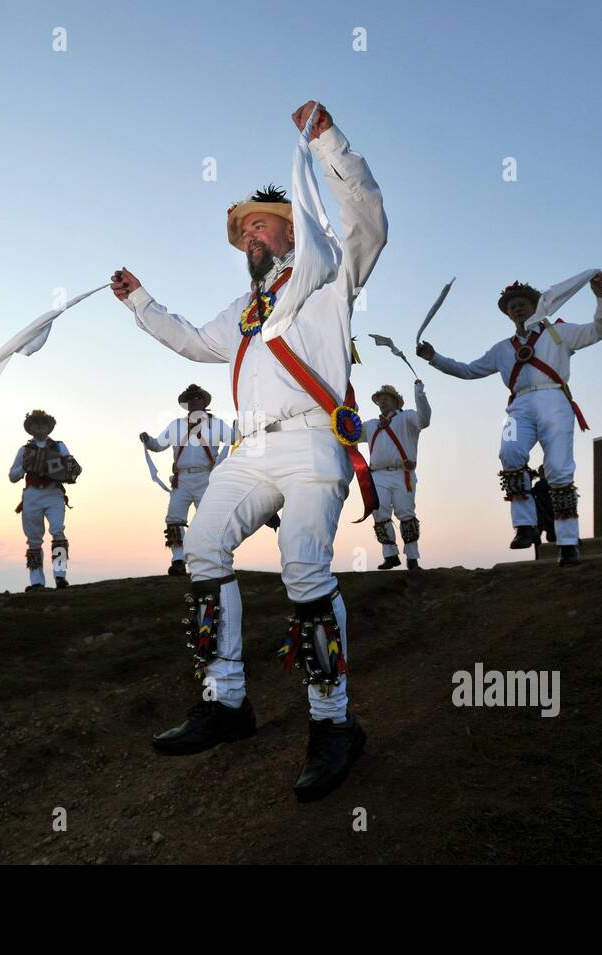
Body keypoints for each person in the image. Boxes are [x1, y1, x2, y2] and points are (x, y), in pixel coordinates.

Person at [110, 99, 387, 803]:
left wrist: (328, 142)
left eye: (259, 224)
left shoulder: (328, 279)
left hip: (315, 442)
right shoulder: (242, 312)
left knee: (302, 569)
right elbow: (190, 341)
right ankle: (227, 700)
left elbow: (369, 220)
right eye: (241, 232)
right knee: (203, 543)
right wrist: (140, 300)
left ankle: (333, 722)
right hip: (250, 447)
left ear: (292, 230)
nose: (247, 237)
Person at [416, 273, 602, 565]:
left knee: (559, 468)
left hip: (554, 399)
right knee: (509, 452)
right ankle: (525, 526)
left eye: (522, 303)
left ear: (537, 305)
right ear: (508, 314)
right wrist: (435, 357)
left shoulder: (558, 332)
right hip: (518, 405)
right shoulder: (502, 349)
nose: (517, 309)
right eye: (511, 306)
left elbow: (599, 329)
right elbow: (469, 370)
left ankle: (568, 542)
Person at [141, 384, 236, 576]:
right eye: (191, 398)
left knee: (209, 520)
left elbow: (232, 439)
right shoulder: (176, 425)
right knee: (174, 519)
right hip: (181, 479)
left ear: (204, 401)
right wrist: (147, 440)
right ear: (187, 403)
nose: (194, 401)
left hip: (206, 478)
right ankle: (178, 560)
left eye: (197, 397)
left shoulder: (216, 424)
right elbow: (158, 445)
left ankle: (212, 559)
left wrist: (238, 427)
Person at [361, 380, 431, 569]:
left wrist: (419, 393)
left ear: (396, 401)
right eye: (380, 399)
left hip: (403, 473)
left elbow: (424, 420)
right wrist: (341, 414)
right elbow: (349, 433)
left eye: (386, 398)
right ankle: (390, 555)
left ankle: (412, 557)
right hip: (377, 475)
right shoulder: (371, 425)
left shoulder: (407, 417)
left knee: (406, 512)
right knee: (379, 512)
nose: (382, 402)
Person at [9, 409, 81, 591]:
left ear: (49, 428)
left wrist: (67, 469)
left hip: (54, 493)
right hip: (32, 496)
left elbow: (70, 468)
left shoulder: (59, 446)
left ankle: (60, 576)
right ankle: (37, 582)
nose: (40, 428)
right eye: (36, 425)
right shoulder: (24, 450)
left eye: (43, 425)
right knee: (34, 540)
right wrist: (25, 467)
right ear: (30, 428)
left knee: (58, 531)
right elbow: (12, 475)